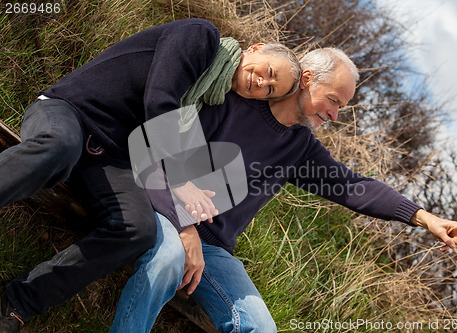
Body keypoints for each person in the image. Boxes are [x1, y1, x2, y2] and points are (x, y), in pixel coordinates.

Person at [109, 47, 457, 333]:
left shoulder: (301, 149)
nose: (335, 114)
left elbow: (353, 186)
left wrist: (424, 217)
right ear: (306, 79)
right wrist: (184, 226)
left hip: (214, 249)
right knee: (168, 260)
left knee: (260, 327)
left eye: (341, 106)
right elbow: (154, 157)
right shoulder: (227, 100)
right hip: (165, 210)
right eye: (333, 100)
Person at [0, 18, 301, 332]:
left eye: (270, 90)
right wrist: (181, 182)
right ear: (255, 49)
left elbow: (151, 149)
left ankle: (17, 303)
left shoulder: (207, 100)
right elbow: (159, 100)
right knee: (59, 148)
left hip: (112, 157)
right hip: (70, 113)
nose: (262, 84)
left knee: (138, 229)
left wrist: (186, 216)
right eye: (269, 73)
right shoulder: (201, 38)